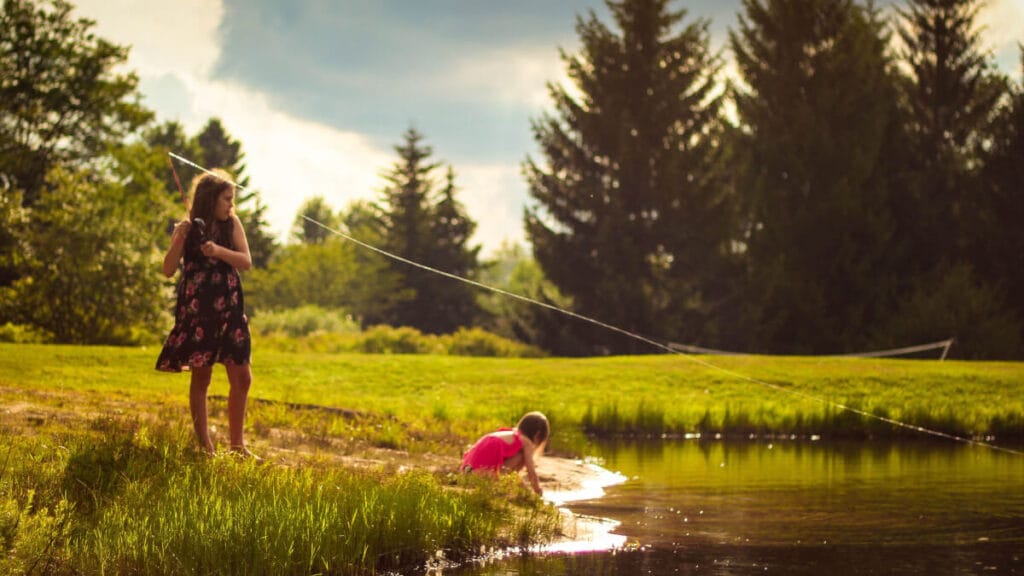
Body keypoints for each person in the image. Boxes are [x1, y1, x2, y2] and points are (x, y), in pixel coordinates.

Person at [155, 169, 256, 458]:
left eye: (232, 200)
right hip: (199, 313)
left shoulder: (231, 224)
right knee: (202, 378)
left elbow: (245, 261)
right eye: (227, 199)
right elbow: (167, 269)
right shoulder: (189, 228)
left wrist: (217, 251)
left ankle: (238, 447)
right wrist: (178, 239)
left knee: (242, 377)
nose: (231, 205)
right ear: (211, 199)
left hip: (230, 310)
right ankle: (205, 448)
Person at [461, 411, 549, 496]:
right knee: (521, 457)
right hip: (481, 474)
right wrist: (537, 491)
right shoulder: (526, 442)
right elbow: (531, 472)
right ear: (537, 434)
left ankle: (511, 488)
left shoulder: (510, 434)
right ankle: (503, 486)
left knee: (514, 465)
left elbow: (509, 471)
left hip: (467, 472)